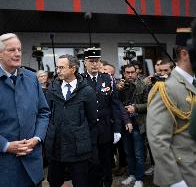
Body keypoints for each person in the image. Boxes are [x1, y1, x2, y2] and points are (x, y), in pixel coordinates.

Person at [0, 33, 50, 187]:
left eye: (19, 49)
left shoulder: (32, 78)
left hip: (32, 163)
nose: (18, 53)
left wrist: (37, 138)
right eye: (12, 50)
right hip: (4, 167)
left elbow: (44, 112)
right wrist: (6, 146)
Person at [147, 29, 196, 187]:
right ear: (185, 54)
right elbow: (158, 138)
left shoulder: (195, 84)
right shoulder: (167, 88)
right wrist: (174, 181)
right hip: (180, 173)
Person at [45, 54, 97, 187]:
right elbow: (47, 115)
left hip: (78, 149)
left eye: (62, 67)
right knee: (54, 181)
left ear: (73, 69)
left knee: (81, 182)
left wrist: (85, 141)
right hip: (56, 147)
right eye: (57, 68)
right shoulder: (52, 89)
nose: (58, 71)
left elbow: (92, 121)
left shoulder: (87, 91)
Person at [83, 48, 129, 187]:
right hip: (88, 130)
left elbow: (115, 105)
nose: (95, 64)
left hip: (105, 129)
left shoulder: (108, 79)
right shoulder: (80, 80)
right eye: (91, 61)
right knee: (92, 163)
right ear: (85, 63)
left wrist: (117, 129)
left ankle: (107, 184)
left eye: (97, 61)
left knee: (106, 162)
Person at [117, 64, 148, 187]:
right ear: (124, 74)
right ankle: (132, 175)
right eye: (127, 72)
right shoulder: (121, 86)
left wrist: (135, 107)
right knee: (128, 152)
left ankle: (139, 178)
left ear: (137, 72)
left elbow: (149, 104)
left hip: (138, 123)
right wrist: (117, 90)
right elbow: (116, 103)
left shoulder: (144, 85)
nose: (130, 75)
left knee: (139, 154)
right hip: (125, 123)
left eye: (132, 72)